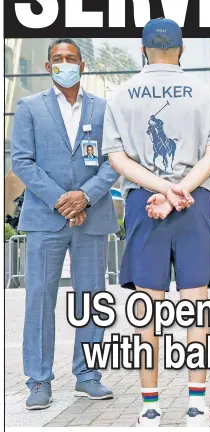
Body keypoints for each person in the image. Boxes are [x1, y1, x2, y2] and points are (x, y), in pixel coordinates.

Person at [102, 18, 210, 427]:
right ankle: (196, 406)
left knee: (146, 308)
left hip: (144, 202)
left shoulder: (122, 94)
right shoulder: (205, 92)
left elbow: (117, 158)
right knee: (196, 306)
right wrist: (181, 190)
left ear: (143, 50)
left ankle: (150, 408)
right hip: (195, 201)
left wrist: (161, 189)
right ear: (182, 50)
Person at [11, 38, 119, 410]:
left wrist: (85, 196)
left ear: (83, 65)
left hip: (92, 217)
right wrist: (63, 200)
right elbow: (22, 161)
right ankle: (39, 380)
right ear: (47, 65)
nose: (64, 63)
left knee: (91, 299)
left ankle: (88, 376)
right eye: (57, 58)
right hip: (45, 218)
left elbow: (114, 160)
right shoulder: (28, 107)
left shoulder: (105, 109)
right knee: (40, 298)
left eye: (71, 58)